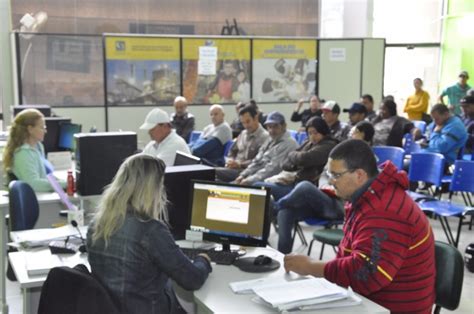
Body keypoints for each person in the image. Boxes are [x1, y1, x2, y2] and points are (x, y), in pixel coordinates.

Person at [284, 140, 436, 313]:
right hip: (370, 298)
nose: (331, 181)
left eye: (336, 175)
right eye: (329, 174)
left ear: (359, 175)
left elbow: (366, 274)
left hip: (391, 307)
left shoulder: (385, 211)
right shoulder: (366, 197)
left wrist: (312, 267)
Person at [87, 154, 212, 313]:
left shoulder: (96, 224)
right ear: (152, 189)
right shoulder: (150, 230)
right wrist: (203, 260)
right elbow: (192, 280)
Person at [254, 117, 338, 201]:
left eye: (315, 133)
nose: (312, 136)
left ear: (323, 131)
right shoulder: (308, 143)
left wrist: (294, 157)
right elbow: (285, 163)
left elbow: (304, 159)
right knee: (283, 211)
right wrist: (296, 164)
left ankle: (278, 205)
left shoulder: (328, 146)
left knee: (258, 187)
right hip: (293, 182)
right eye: (310, 133)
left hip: (307, 188)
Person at [2, 109, 66, 192]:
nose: (45, 131)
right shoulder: (22, 153)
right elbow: (33, 184)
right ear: (30, 129)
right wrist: (65, 184)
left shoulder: (38, 146)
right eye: (42, 128)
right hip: (35, 197)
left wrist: (64, 182)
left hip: (41, 194)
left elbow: (44, 175)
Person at [234, 111, 298, 185]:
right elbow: (256, 161)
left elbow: (273, 169)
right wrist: (243, 175)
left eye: (275, 126)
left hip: (275, 181)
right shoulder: (270, 140)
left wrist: (249, 180)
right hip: (259, 176)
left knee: (254, 185)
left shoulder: (289, 144)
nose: (271, 130)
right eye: (269, 127)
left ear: (284, 126)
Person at [216, 105, 269, 182]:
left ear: (256, 118)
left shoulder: (265, 137)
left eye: (248, 121)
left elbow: (260, 161)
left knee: (210, 172)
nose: (246, 126)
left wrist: (239, 164)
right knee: (212, 179)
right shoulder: (243, 134)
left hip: (246, 171)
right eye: (243, 123)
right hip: (232, 169)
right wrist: (230, 161)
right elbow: (232, 151)